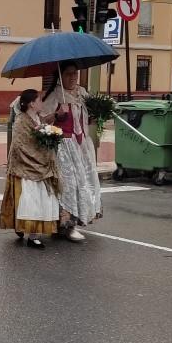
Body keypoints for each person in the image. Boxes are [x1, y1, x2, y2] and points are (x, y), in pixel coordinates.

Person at [44, 62, 103, 241]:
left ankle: (74, 222)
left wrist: (97, 115)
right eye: (68, 74)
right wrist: (56, 115)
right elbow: (42, 122)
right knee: (68, 185)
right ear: (61, 76)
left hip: (82, 145)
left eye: (75, 74)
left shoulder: (82, 94)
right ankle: (65, 224)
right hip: (63, 146)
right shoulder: (54, 96)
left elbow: (88, 119)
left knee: (82, 183)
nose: (73, 77)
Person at [0, 89, 62, 249]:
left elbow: (41, 132)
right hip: (25, 166)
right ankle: (27, 231)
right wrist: (39, 155)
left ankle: (33, 234)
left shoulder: (37, 117)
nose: (42, 102)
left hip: (40, 164)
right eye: (39, 100)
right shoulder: (21, 121)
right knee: (28, 199)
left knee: (40, 199)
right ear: (31, 104)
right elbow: (21, 145)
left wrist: (50, 135)